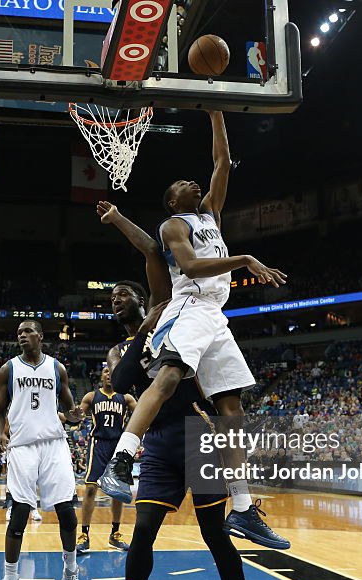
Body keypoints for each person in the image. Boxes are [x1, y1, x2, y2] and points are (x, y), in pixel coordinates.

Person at [95, 204, 284, 580]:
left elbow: (149, 247)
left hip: (197, 436)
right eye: (112, 298)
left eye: (124, 294)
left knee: (216, 536)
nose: (116, 300)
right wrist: (139, 338)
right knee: (142, 536)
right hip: (159, 442)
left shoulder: (171, 306)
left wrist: (120, 219)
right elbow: (120, 385)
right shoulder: (132, 344)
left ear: (147, 293)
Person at [96, 112, 289, 549]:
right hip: (189, 305)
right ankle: (123, 460)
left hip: (216, 315)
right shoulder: (173, 226)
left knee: (232, 407)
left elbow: (222, 162)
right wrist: (243, 260)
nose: (195, 184)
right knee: (167, 377)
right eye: (186, 183)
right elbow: (189, 266)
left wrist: (214, 110)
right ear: (171, 200)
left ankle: (242, 509)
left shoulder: (210, 215)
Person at [0, 320, 87, 580]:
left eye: (27, 331)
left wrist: (76, 416)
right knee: (19, 514)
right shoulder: (8, 369)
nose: (21, 336)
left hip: (54, 444)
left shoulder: (57, 369)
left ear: (41, 337)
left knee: (67, 514)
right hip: (22, 446)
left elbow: (71, 412)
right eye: (18, 332)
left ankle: (71, 574)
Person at [71, 366, 136, 553]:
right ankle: (84, 535)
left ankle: (115, 534)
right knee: (91, 488)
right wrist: (69, 415)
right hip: (98, 444)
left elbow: (143, 412)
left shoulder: (126, 397)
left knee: (117, 491)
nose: (109, 375)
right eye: (106, 372)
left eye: (113, 372)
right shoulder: (91, 396)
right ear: (101, 376)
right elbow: (77, 416)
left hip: (119, 444)